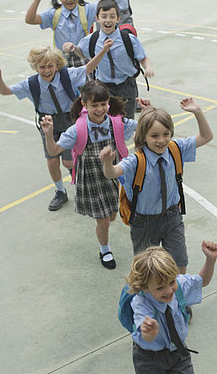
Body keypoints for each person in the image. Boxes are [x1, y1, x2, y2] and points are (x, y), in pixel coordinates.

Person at [41, 79, 149, 269]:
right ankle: (105, 250)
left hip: (115, 174)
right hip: (91, 177)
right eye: (94, 105)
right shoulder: (78, 129)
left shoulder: (117, 123)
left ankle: (105, 235)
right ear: (84, 104)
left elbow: (143, 128)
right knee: (104, 220)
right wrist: (49, 134)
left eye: (103, 104)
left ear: (108, 102)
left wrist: (148, 111)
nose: (99, 109)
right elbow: (55, 149)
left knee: (114, 215)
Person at [0, 44, 111, 211]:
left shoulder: (67, 76)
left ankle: (80, 180)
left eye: (50, 66)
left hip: (70, 120)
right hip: (48, 124)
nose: (46, 70)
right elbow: (5, 91)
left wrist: (103, 51)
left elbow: (88, 67)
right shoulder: (31, 84)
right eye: (42, 67)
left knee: (69, 161)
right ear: (35, 67)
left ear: (57, 65)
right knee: (52, 162)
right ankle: (60, 191)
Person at [100, 99, 213, 273]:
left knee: (179, 263)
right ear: (143, 136)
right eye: (154, 136)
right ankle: (148, 300)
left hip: (172, 216)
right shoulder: (136, 160)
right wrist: (107, 162)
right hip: (144, 222)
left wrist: (197, 112)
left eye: (166, 134)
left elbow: (206, 137)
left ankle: (176, 299)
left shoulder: (176, 149)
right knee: (146, 271)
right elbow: (112, 173)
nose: (161, 140)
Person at [126, 241, 217, 374]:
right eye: (160, 287)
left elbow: (201, 281)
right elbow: (145, 337)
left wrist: (210, 260)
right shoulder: (141, 303)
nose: (168, 290)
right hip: (149, 357)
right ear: (144, 287)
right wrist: (149, 331)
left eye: (171, 282)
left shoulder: (176, 286)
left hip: (177, 351)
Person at [65, 0, 154, 120]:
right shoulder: (92, 39)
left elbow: (142, 58)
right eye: (104, 16)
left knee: (127, 119)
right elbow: (83, 53)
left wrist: (147, 67)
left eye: (112, 16)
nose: (108, 20)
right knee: (106, 119)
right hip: (105, 87)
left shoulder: (128, 39)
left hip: (127, 85)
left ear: (118, 18)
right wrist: (74, 48)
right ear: (97, 18)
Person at [24, 0, 113, 67]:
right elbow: (30, 20)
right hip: (61, 59)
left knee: (87, 81)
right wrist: (37, 0)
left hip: (83, 56)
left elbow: (110, 2)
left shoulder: (87, 9)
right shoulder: (53, 14)